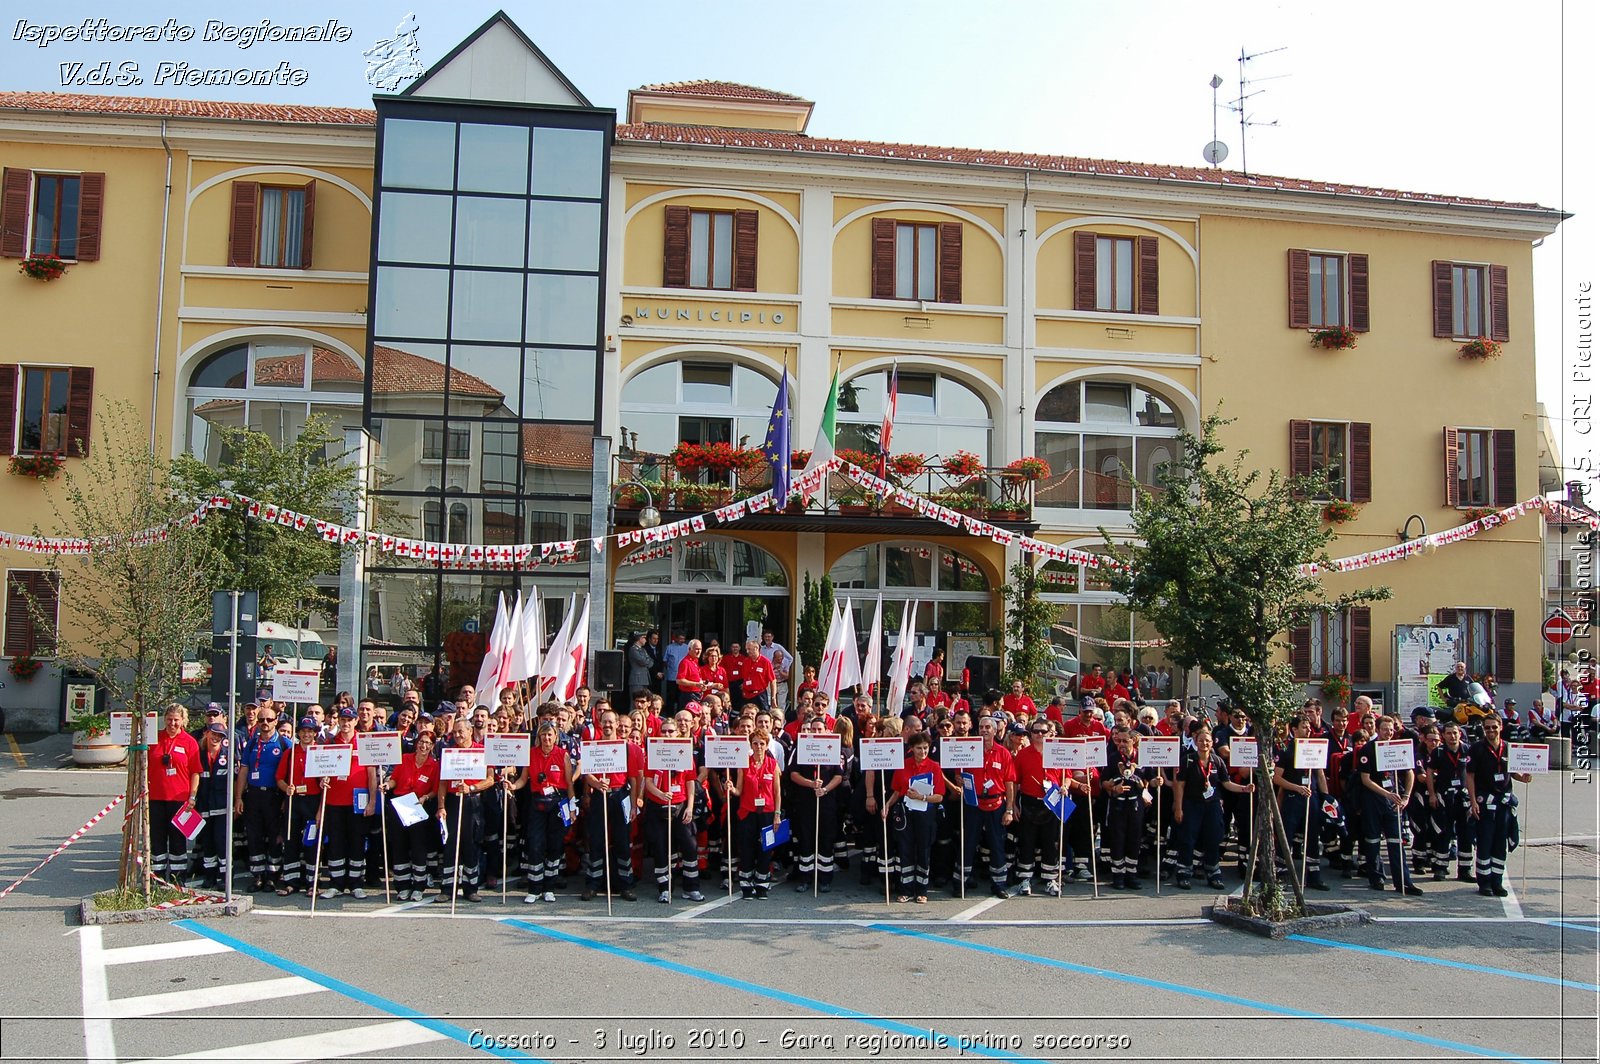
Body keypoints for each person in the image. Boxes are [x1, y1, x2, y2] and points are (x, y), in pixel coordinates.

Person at [1172, 726, 1253, 890]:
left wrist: (1244, 788)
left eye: (1207, 741)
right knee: (1188, 839)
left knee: (1213, 838)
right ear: (1196, 741)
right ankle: (1184, 873)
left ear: (1212, 743)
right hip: (1192, 804)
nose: (1204, 744)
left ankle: (1213, 873)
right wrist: (1179, 807)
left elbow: (1226, 783)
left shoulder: (1217, 761)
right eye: (1201, 740)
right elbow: (1179, 785)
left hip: (1212, 805)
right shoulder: (1187, 760)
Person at [1354, 714, 1423, 894]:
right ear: (1377, 730)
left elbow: (1410, 772)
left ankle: (1403, 882)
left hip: (1393, 801)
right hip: (1374, 800)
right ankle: (1376, 877)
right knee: (1373, 840)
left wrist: (1406, 796)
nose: (1389, 733)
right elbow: (1365, 779)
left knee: (1396, 841)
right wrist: (1386, 794)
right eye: (1385, 729)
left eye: (1391, 730)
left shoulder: (1400, 747)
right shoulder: (1368, 749)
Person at [1466, 715, 1531, 898]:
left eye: (1494, 727)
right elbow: (1469, 776)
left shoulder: (1510, 748)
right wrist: (1472, 802)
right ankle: (1484, 882)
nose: (1491, 731)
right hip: (1484, 802)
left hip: (1504, 803)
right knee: (1485, 842)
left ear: (1501, 727)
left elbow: (1514, 772)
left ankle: (1497, 881)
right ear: (1483, 729)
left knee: (1500, 843)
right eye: (1487, 728)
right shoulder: (1476, 749)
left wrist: (1524, 777)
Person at [579, 709, 641, 901]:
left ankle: (626, 884)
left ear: (616, 724)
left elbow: (633, 778)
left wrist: (633, 805)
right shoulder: (592, 746)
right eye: (604, 722)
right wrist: (596, 784)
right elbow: (587, 774)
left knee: (623, 842)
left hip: (619, 795)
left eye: (611, 722)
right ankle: (593, 884)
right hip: (600, 795)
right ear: (599, 723)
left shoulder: (626, 748)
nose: (607, 726)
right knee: (597, 841)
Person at [317, 709, 378, 900]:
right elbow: (322, 771)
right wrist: (322, 781)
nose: (346, 723)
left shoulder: (364, 742)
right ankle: (336, 883)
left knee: (357, 842)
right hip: (335, 802)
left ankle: (356, 883)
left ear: (356, 721)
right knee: (335, 843)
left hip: (357, 803)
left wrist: (372, 801)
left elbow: (371, 775)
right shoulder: (330, 743)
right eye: (343, 720)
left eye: (349, 720)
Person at [643, 714, 703, 903]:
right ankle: (664, 888)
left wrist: (690, 807)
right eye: (664, 731)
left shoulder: (684, 753)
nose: (668, 734)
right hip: (658, 806)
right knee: (661, 848)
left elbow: (690, 782)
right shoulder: (653, 753)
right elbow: (648, 782)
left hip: (680, 805)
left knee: (689, 845)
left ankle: (691, 887)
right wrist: (660, 795)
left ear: (677, 733)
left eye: (671, 731)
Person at [882, 731, 945, 903]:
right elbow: (897, 790)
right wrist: (887, 805)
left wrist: (922, 797)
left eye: (925, 748)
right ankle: (906, 889)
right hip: (906, 812)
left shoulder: (934, 767)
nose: (923, 752)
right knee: (905, 849)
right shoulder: (903, 765)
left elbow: (939, 795)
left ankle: (922, 890)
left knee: (923, 850)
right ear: (911, 748)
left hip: (926, 813)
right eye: (919, 748)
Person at [234, 702, 289, 893]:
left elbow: (290, 773)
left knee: (274, 837)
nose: (265, 723)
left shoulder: (284, 743)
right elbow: (244, 770)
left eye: (269, 719)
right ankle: (257, 876)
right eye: (261, 720)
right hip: (254, 796)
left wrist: (285, 799)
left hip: (274, 796)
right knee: (254, 836)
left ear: (276, 721)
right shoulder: (252, 743)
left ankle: (272, 876)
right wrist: (238, 798)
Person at [788, 716, 847, 893]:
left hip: (826, 801)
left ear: (826, 730)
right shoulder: (801, 747)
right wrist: (811, 784)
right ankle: (805, 877)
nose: (816, 733)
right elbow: (793, 774)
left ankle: (824, 878)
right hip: (806, 801)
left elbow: (839, 775)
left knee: (825, 839)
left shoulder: (833, 748)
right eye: (813, 729)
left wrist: (825, 789)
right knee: (806, 839)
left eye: (819, 729)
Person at [1008, 718, 1064, 897]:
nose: (1039, 734)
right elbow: (1015, 781)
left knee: (1050, 841)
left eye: (1043, 731)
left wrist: (1066, 786)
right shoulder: (1023, 754)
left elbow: (1067, 775)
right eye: (1036, 731)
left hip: (1053, 800)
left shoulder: (1058, 752)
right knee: (1027, 841)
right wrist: (1014, 805)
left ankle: (1050, 879)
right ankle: (1025, 878)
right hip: (1029, 801)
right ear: (1030, 734)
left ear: (1050, 733)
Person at [1273, 719, 1330, 891]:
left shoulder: (1314, 747)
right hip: (1292, 797)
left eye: (1309, 727)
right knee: (1287, 835)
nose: (1308, 730)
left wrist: (1326, 798)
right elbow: (1276, 778)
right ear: (1294, 729)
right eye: (1304, 727)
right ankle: (1281, 874)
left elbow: (1320, 775)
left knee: (1312, 835)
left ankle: (1313, 875)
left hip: (1311, 797)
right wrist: (1297, 788)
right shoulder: (1286, 750)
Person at [384, 728, 439, 901]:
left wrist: (425, 797)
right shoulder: (404, 759)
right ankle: (402, 885)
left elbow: (436, 790)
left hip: (419, 807)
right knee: (399, 845)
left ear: (432, 747)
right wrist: (387, 785)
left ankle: (419, 885)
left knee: (418, 847)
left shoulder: (434, 765)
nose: (423, 746)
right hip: (400, 805)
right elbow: (394, 779)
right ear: (416, 743)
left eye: (428, 743)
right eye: (421, 742)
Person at [148, 704, 201, 885]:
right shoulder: (154, 739)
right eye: (169, 719)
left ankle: (178, 879)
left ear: (183, 721)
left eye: (176, 720)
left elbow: (195, 772)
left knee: (178, 840)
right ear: (164, 719)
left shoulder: (189, 742)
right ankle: (158, 877)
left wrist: (192, 797)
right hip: (155, 798)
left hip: (179, 800)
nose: (172, 723)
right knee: (157, 839)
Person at [732, 715, 782, 899]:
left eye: (762, 743)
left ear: (767, 744)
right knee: (746, 848)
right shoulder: (743, 764)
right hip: (748, 813)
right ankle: (746, 884)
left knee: (766, 849)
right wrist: (731, 789)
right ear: (750, 745)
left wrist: (777, 815)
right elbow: (738, 790)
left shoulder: (773, 764)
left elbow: (777, 792)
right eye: (755, 743)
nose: (758, 747)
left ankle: (762, 884)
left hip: (767, 813)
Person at [1102, 725, 1154, 889]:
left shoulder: (1142, 758)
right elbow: (1103, 781)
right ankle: (1118, 876)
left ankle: (1131, 874)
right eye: (1119, 741)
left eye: (1125, 740)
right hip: (1117, 804)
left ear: (1134, 740)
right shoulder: (1112, 757)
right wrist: (1112, 787)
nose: (1122, 744)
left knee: (1134, 840)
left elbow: (1149, 779)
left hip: (1136, 804)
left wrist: (1153, 783)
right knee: (1117, 840)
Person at [274, 717, 320, 895]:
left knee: (311, 841)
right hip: (294, 801)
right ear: (298, 733)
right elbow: (279, 778)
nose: (306, 734)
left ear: (315, 733)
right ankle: (291, 882)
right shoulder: (290, 753)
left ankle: (312, 883)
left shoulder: (320, 752)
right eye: (303, 731)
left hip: (313, 800)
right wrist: (287, 788)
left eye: (310, 731)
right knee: (291, 840)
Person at [191, 723, 233, 889]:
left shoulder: (227, 756)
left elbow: (235, 780)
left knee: (222, 842)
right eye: (214, 734)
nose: (216, 738)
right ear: (207, 733)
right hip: (204, 806)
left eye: (220, 736)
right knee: (208, 843)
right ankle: (209, 877)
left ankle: (225, 878)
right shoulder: (199, 754)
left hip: (222, 807)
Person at [740, 638, 777, 712]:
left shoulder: (765, 662)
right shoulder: (745, 662)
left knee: (763, 714)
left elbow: (773, 681)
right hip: (747, 695)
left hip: (760, 695)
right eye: (746, 649)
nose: (747, 651)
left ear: (756, 648)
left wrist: (773, 697)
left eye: (749, 649)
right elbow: (744, 677)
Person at [760, 629, 793, 711]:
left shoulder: (778, 647)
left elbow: (790, 658)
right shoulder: (761, 649)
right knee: (769, 704)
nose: (767, 638)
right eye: (765, 637)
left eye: (769, 637)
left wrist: (784, 667)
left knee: (781, 705)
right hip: (768, 681)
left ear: (772, 637)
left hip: (780, 681)